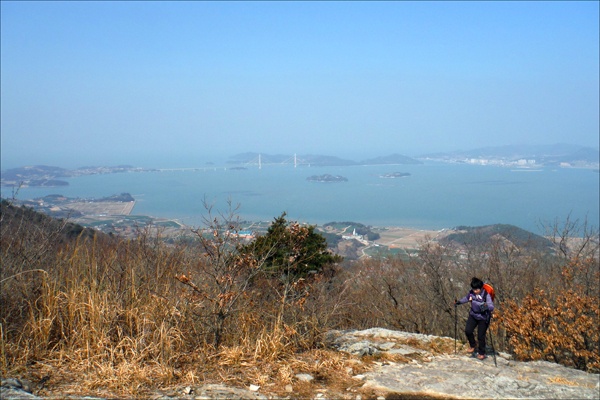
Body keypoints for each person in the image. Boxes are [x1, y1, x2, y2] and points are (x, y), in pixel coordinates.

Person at [455, 277, 494, 360]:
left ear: (481, 288)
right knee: (468, 331)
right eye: (474, 289)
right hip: (473, 315)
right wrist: (459, 302)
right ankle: (473, 345)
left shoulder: (486, 295)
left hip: (483, 317)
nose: (475, 291)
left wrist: (483, 307)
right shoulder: (471, 293)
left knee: (481, 336)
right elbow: (466, 298)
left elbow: (491, 306)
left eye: (477, 289)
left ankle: (481, 353)